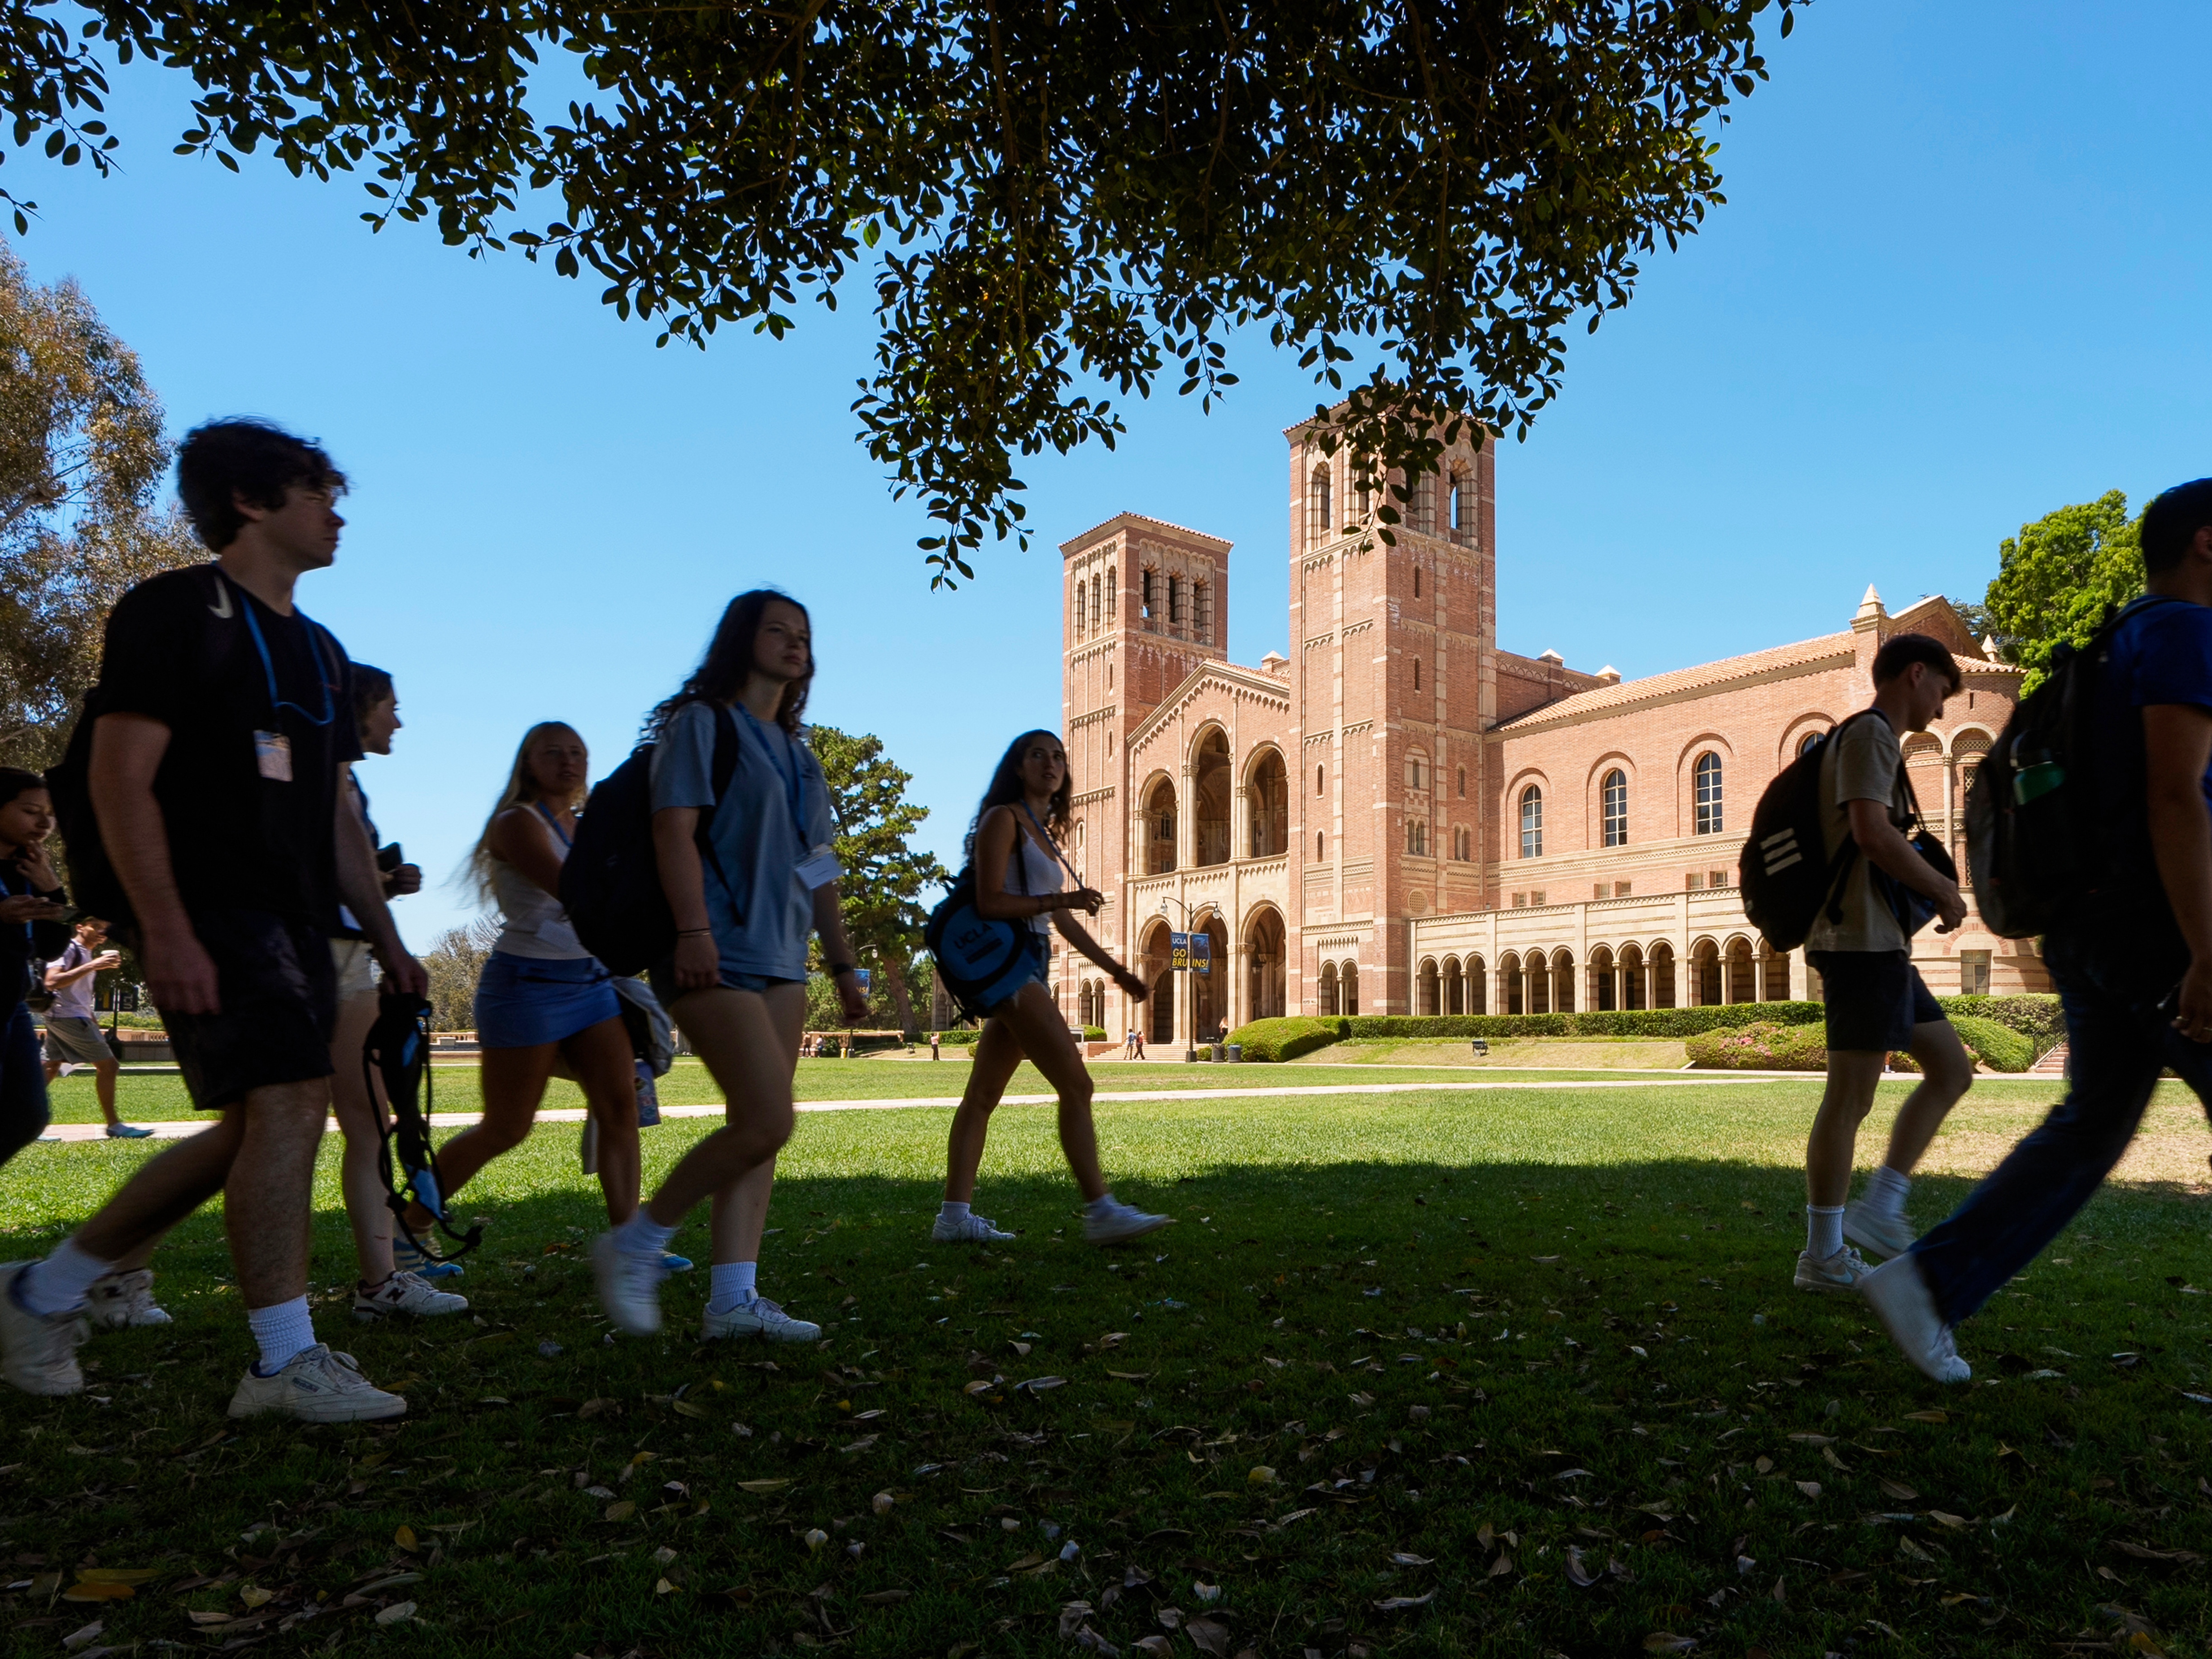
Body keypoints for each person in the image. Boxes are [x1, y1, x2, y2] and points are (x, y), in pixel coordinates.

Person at [0, 418, 423, 1420]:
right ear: (251, 500)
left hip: (299, 921)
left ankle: (42, 1293)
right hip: (208, 910)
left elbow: (334, 818)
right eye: (318, 490)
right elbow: (118, 776)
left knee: (267, 1122)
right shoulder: (174, 610)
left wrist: (390, 939)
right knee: (282, 1106)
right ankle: (282, 1361)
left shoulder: (322, 653)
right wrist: (167, 927)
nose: (339, 511)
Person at [1864, 479, 2212, 1383]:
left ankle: (1930, 1284)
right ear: (2207, 544)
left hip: (2082, 924)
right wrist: (2207, 948)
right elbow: (2176, 797)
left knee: (2089, 1125)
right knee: (2089, 1125)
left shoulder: (2112, 643)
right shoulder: (2182, 632)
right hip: (2157, 931)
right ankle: (1931, 1282)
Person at [592, 590, 867, 1341]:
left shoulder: (800, 756)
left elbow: (818, 867)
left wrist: (842, 965)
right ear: (741, 640)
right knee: (767, 1116)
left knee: (760, 1128)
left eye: (803, 634)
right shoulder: (701, 725)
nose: (793, 643)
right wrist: (691, 929)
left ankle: (732, 1299)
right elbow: (671, 830)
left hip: (783, 958)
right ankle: (638, 1242)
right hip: (708, 949)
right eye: (776, 630)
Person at [395, 722, 676, 1269]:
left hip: (590, 983)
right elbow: (579, 892)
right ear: (528, 763)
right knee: (507, 1127)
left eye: (577, 753)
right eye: (553, 753)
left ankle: (629, 1248)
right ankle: (409, 1228)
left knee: (620, 1106)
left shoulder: (587, 825)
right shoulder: (515, 823)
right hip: (527, 987)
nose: (568, 763)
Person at [930, 731, 1168, 1246]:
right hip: (1011, 966)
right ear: (1018, 767)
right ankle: (1100, 1209)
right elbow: (990, 901)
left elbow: (1064, 918)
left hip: (1032, 962)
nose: (1051, 763)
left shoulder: (1043, 832)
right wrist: (1055, 902)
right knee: (1077, 1085)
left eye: (1058, 755)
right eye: (1037, 754)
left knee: (983, 1096)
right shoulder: (1004, 820)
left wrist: (1117, 970)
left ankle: (952, 1217)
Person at [1794, 632, 1974, 1296]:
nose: (1942, 707)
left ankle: (1882, 1205)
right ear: (1916, 674)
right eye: (1941, 691)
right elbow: (1871, 833)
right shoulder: (1870, 735)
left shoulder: (1876, 741)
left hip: (1882, 945)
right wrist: (1943, 887)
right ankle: (1823, 1254)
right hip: (1858, 943)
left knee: (1952, 1069)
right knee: (1850, 1098)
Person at [325, 664, 466, 1319]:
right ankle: (104, 1262)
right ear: (361, 706)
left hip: (349, 957)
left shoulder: (343, 778)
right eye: (391, 706)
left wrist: (384, 884)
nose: (399, 721)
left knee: (372, 1124)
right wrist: (390, 940)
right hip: (322, 958)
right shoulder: (323, 774)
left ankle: (385, 1276)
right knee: (278, 1130)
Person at [0, 772, 74, 1164]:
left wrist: (50, 887)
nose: (44, 823)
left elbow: (51, 945)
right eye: (31, 811)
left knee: (29, 1115)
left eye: (50, 814)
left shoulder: (28, 868)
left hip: (12, 1006)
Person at [41, 919, 148, 1139]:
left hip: (68, 1016)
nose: (102, 932)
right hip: (67, 1017)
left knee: (49, 1069)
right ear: (80, 927)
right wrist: (94, 965)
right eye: (96, 926)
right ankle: (114, 1125)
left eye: (105, 928)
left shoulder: (86, 953)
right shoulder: (69, 949)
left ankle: (24, 1124)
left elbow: (77, 993)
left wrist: (92, 1019)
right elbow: (51, 982)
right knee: (109, 1067)